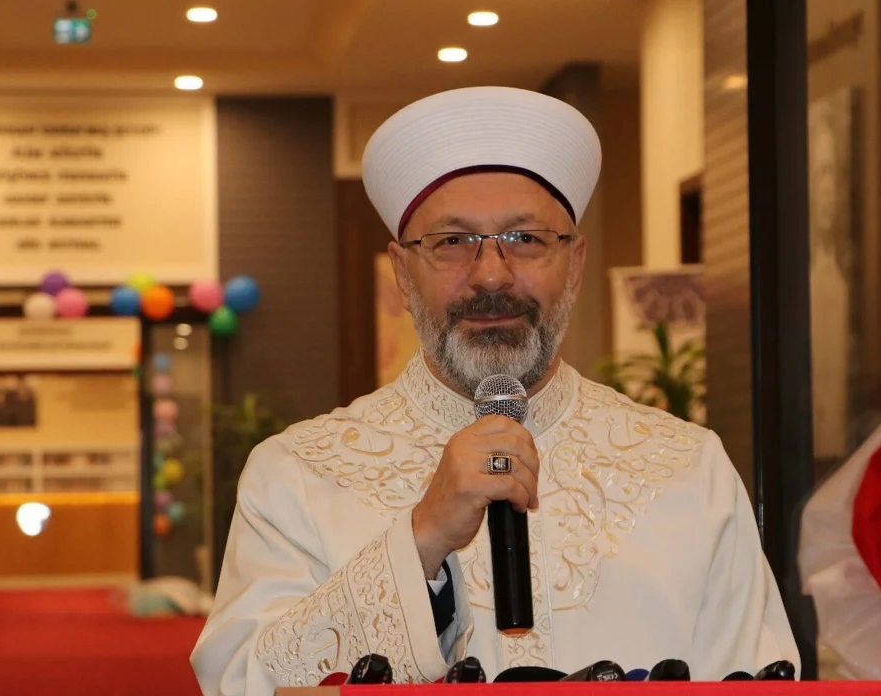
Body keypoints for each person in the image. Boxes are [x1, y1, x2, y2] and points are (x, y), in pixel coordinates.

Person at [190, 86, 799, 695]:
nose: (489, 274)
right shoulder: (297, 473)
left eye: (525, 239)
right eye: (451, 242)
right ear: (402, 272)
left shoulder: (687, 466)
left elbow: (757, 675)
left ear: (575, 265)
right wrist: (420, 540)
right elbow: (241, 683)